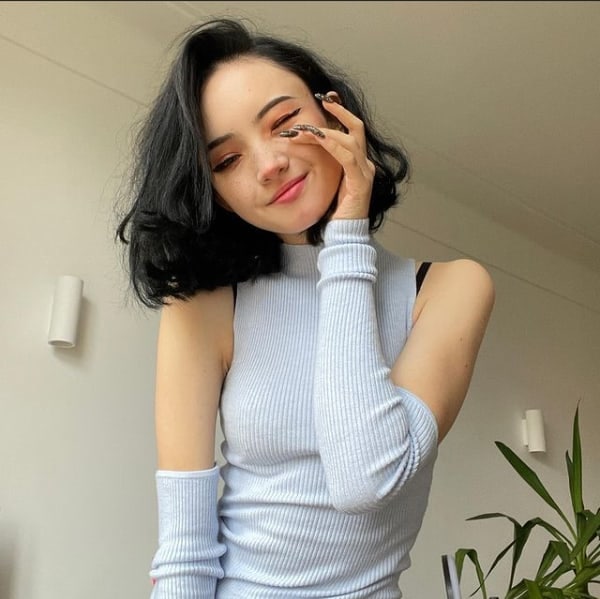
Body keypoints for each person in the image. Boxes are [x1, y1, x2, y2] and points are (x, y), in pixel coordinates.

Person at [116, 16, 495, 599]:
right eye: (227, 161)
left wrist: (345, 236)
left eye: (285, 123)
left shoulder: (448, 289)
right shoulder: (208, 305)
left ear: (335, 116)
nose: (267, 164)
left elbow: (366, 479)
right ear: (217, 193)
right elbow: (186, 551)